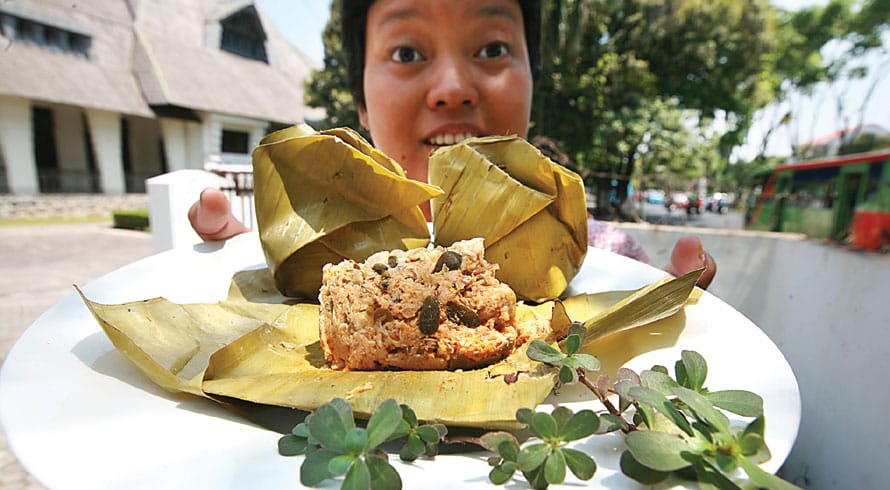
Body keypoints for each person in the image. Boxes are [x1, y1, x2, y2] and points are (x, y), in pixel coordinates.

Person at [189, 0, 716, 288]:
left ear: (535, 79)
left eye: (492, 47)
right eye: (406, 53)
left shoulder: (610, 259)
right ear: (361, 104)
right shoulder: (313, 259)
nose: (452, 90)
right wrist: (259, 271)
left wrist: (657, 317)